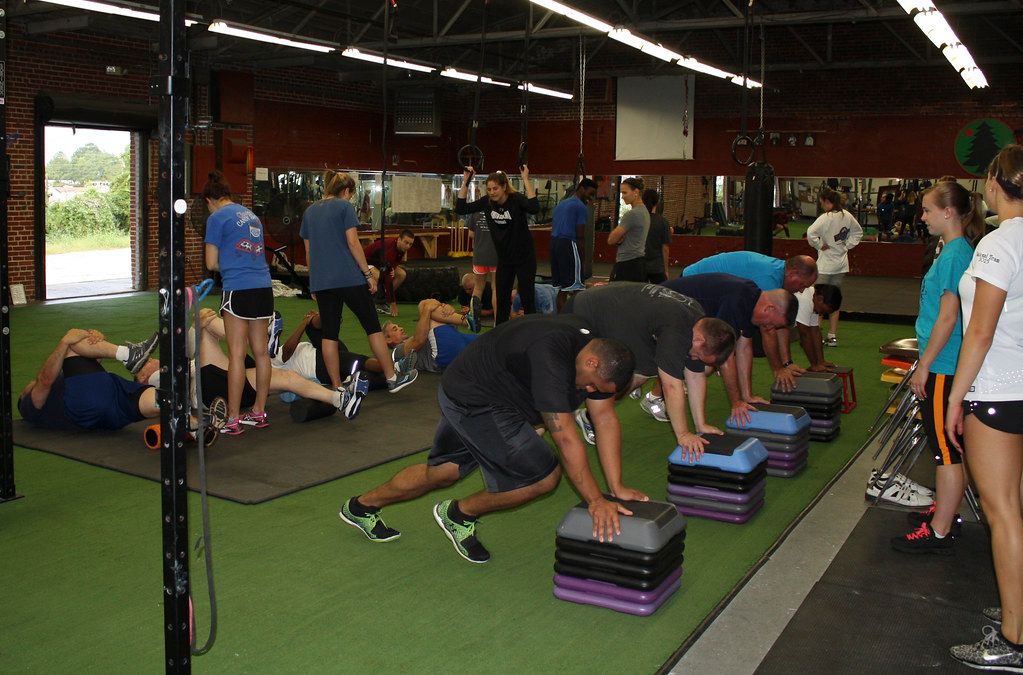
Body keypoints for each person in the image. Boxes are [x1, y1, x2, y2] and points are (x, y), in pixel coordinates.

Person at [338, 315, 647, 564]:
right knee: (543, 476)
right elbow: (565, 436)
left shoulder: (592, 351)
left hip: (487, 390)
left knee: (444, 472)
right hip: (473, 399)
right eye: (592, 387)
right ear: (592, 363)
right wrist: (595, 500)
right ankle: (458, 513)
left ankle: (361, 506)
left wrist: (616, 488)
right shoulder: (552, 356)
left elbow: (604, 419)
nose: (590, 394)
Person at [946, 145, 1023, 671]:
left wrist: (956, 395)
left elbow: (981, 329)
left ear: (995, 183)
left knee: (1003, 513)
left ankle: (1015, 638)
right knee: (1015, 506)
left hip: (997, 390)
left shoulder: (999, 243)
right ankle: (1020, 609)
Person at [888, 181, 983, 553]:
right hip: (942, 361)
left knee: (945, 449)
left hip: (943, 365)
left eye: (927, 210)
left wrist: (924, 365)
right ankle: (945, 511)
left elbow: (948, 317)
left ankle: (940, 529)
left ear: (948, 212)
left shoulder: (957, 254)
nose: (922, 216)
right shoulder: (952, 251)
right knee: (945, 447)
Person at [565, 282, 736, 457]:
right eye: (698, 356)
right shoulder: (677, 329)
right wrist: (683, 435)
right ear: (699, 340)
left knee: (643, 371)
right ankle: (578, 418)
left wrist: (701, 425)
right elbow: (670, 386)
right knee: (588, 377)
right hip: (583, 312)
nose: (694, 360)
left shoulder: (698, 321)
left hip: (621, 318)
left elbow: (695, 374)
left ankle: (589, 415)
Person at [300, 169, 417, 394]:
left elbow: (308, 251)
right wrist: (367, 274)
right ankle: (392, 378)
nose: (350, 199)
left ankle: (336, 387)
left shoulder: (310, 212)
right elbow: (353, 243)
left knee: (329, 334)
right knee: (372, 327)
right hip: (348, 277)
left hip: (323, 281)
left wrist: (314, 281)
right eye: (350, 196)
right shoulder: (344, 207)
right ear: (345, 191)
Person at [659, 273, 797, 426]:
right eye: (772, 323)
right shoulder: (737, 300)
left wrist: (747, 396)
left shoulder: (751, 299)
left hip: (683, 317)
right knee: (702, 364)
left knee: (703, 365)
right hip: (661, 307)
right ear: (769, 309)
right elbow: (725, 358)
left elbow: (744, 348)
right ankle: (656, 396)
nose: (769, 328)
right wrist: (736, 402)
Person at [191, 308, 365, 420]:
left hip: (218, 379)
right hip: (210, 387)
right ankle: (339, 399)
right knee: (284, 376)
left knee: (204, 319)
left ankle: (258, 337)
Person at [203, 170, 275, 436]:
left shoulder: (216, 218)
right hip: (263, 288)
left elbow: (211, 263)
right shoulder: (250, 215)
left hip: (238, 289)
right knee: (261, 352)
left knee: (235, 353)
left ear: (210, 200)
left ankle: (233, 418)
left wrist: (230, 265)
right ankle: (259, 411)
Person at [683, 251, 818, 391]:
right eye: (803, 285)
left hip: (716, 297)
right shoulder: (769, 278)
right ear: (793, 273)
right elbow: (768, 330)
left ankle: (682, 379)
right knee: (707, 355)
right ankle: (665, 388)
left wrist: (787, 363)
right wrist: (778, 369)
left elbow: (780, 325)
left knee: (712, 358)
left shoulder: (779, 273)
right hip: (692, 289)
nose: (801, 291)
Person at [18, 328, 160, 431]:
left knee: (158, 401)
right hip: (85, 405)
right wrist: (64, 342)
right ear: (23, 396)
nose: (30, 384)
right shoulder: (28, 406)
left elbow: (91, 365)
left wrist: (95, 338)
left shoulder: (69, 384)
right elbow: (44, 381)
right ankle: (129, 354)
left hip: (110, 404)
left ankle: (177, 401)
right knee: (71, 344)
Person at [455, 166, 539, 325]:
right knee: (501, 299)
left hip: (524, 258)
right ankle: (500, 332)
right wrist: (466, 181)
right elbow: (461, 208)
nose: (492, 192)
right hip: (504, 260)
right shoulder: (487, 203)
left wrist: (526, 179)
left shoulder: (515, 200)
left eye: (495, 188)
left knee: (527, 297)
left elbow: (534, 208)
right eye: (489, 189)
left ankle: (530, 332)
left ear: (504, 187)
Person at [807, 186, 863, 347]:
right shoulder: (848, 216)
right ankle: (832, 336)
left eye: (821, 203)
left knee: (817, 299)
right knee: (834, 300)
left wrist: (819, 245)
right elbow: (858, 233)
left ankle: (814, 333)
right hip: (840, 266)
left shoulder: (826, 217)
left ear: (826, 201)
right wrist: (847, 245)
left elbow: (810, 233)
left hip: (825, 267)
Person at [383, 299, 478, 373]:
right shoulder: (397, 352)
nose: (401, 328)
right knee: (423, 305)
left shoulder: (423, 335)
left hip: (457, 344)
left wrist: (444, 308)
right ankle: (467, 320)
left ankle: (467, 320)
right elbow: (418, 341)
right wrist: (428, 309)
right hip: (441, 353)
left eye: (399, 326)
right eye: (395, 329)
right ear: (388, 340)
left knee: (489, 343)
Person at [550, 178, 598, 311]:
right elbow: (580, 235)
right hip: (568, 244)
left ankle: (562, 321)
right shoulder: (580, 206)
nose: (591, 197)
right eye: (590, 193)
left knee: (563, 289)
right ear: (582, 189)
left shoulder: (561, 204)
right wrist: (583, 258)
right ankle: (577, 320)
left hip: (554, 245)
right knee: (577, 288)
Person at [363, 229, 415, 317]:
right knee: (382, 278)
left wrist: (391, 268)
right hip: (364, 264)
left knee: (401, 274)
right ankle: (378, 302)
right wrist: (393, 303)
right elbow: (387, 277)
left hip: (379, 264)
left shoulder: (400, 248)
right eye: (406, 242)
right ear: (399, 239)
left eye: (410, 244)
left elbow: (393, 264)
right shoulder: (389, 249)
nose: (408, 246)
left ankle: (381, 299)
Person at [608, 177, 650, 282]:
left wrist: (619, 237)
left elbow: (611, 240)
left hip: (627, 264)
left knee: (615, 297)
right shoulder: (645, 211)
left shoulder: (632, 214)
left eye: (625, 193)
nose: (622, 197)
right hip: (639, 263)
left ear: (636, 192)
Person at [793, 284, 843, 372]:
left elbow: (815, 331)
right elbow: (804, 335)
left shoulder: (814, 299)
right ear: (820, 299)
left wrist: (821, 361)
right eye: (823, 311)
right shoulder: (805, 300)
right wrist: (814, 365)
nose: (821, 314)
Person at [465, 212, 499, 331]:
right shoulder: (501, 209)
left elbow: (470, 234)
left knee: (478, 288)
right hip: (496, 255)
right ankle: (497, 321)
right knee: (496, 287)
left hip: (479, 255)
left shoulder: (475, 212)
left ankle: (473, 320)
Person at [642, 188, 672, 284]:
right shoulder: (663, 222)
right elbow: (665, 249)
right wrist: (666, 270)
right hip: (657, 268)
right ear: (657, 202)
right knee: (660, 295)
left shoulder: (638, 219)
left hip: (639, 266)